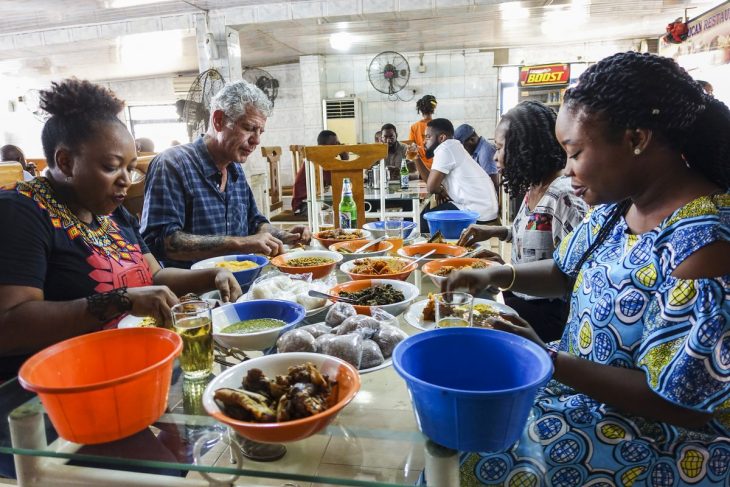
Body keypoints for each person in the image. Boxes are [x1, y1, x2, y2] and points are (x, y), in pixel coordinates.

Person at [445, 52, 730, 486]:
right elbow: (563, 271)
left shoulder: (704, 247)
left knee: (473, 459)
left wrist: (548, 360)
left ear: (636, 138)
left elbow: (682, 403)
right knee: (458, 417)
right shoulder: (618, 210)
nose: (569, 171)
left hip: (659, 434)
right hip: (580, 387)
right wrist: (494, 274)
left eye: (575, 153)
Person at [0, 79, 242, 382]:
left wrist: (212, 275)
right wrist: (122, 299)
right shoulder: (21, 211)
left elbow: (154, 276)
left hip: (132, 366)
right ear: (65, 161)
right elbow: (9, 325)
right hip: (61, 388)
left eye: (130, 167)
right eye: (112, 166)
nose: (126, 180)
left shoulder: (112, 214)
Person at [141, 80, 311, 268]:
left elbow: (254, 222)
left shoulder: (233, 168)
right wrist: (239, 243)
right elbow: (160, 242)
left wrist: (283, 235)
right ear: (218, 120)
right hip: (191, 289)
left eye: (260, 131)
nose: (256, 140)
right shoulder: (173, 164)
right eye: (248, 128)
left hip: (236, 280)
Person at [457, 101, 588, 341]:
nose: (495, 158)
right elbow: (535, 230)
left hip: (548, 319)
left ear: (524, 148)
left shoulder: (563, 195)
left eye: (499, 148)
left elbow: (573, 274)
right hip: (519, 299)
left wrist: (504, 272)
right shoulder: (535, 186)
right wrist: (497, 232)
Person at [413, 118, 499, 230]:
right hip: (485, 209)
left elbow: (431, 187)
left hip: (477, 213)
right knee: (428, 212)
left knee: (422, 222)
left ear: (442, 138)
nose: (424, 142)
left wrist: (439, 190)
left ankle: (439, 246)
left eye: (428, 137)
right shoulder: (453, 146)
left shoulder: (445, 148)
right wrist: (416, 157)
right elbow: (432, 182)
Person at [290, 130, 348, 215]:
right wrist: (345, 159)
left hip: (315, 201)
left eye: (338, 144)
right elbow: (338, 183)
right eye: (334, 144)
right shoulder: (319, 160)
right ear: (322, 146)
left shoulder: (320, 156)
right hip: (304, 206)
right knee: (344, 210)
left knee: (344, 206)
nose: (337, 147)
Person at [453, 124, 498, 188]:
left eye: (462, 147)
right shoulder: (477, 151)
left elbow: (493, 185)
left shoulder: (485, 153)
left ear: (472, 140)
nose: (462, 151)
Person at [409, 94, 437, 170]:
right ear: (433, 109)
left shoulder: (414, 127)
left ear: (421, 110)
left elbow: (411, 150)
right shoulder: (439, 126)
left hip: (421, 168)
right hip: (437, 167)